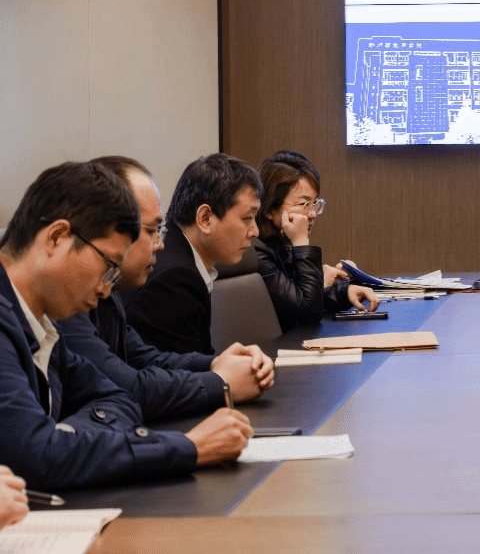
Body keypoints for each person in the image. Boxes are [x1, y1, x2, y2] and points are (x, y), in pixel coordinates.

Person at [0, 161, 251, 490]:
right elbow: (38, 458)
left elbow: (119, 397)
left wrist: (64, 439)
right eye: (108, 265)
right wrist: (187, 447)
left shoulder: (43, 326)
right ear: (57, 237)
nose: (106, 290)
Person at [57, 156, 275, 419]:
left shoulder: (104, 288)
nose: (160, 244)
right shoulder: (64, 299)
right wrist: (221, 383)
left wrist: (216, 363)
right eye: (151, 230)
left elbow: (144, 358)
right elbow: (127, 387)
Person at [125, 153, 262, 355]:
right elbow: (181, 371)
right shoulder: (174, 279)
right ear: (205, 219)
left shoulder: (178, 253)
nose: (255, 231)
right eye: (248, 218)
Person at [254, 151, 378, 329]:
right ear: (268, 209)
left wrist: (345, 292)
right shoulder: (257, 254)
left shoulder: (279, 245)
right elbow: (308, 310)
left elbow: (301, 296)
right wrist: (301, 243)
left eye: (315, 204)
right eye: (304, 204)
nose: (312, 214)